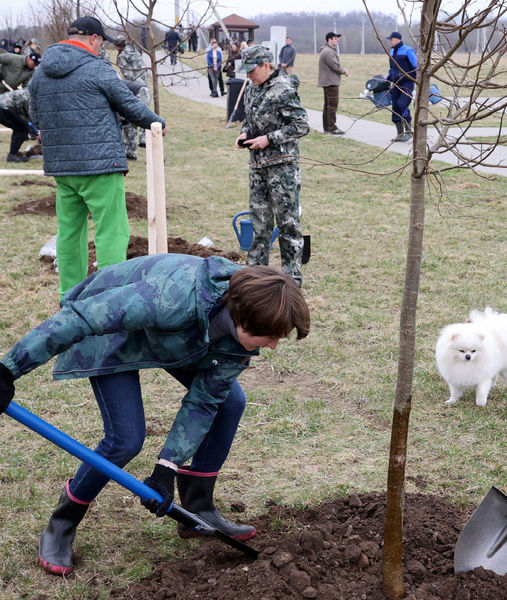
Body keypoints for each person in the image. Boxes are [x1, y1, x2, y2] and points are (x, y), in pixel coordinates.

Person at [0, 253, 310, 575]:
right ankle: (63, 522)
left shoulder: (239, 341)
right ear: (242, 320)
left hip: (179, 338)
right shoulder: (173, 296)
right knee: (126, 439)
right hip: (110, 328)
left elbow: (203, 403)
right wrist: (8, 370)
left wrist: (166, 469)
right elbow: (83, 318)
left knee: (229, 403)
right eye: (271, 337)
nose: (272, 346)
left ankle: (198, 508)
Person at [28, 16, 167, 299]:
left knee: (69, 233)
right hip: (101, 165)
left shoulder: (41, 72)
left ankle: (70, 297)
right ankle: (109, 297)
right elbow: (128, 104)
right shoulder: (96, 67)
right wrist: (157, 123)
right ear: (93, 38)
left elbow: (35, 113)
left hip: (62, 167)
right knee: (111, 232)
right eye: (101, 42)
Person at [235, 45, 309, 288]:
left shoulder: (284, 89)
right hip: (258, 167)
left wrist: (269, 139)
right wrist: (245, 133)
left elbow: (301, 125)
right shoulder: (252, 89)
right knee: (259, 224)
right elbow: (249, 118)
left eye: (252, 70)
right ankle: (255, 279)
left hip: (282, 169)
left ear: (266, 65)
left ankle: (292, 281)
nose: (248, 75)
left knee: (287, 225)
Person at [114, 37, 151, 160]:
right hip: (144, 85)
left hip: (135, 87)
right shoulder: (133, 49)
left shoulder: (122, 56)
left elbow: (126, 74)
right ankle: (145, 139)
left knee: (131, 121)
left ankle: (131, 152)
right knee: (145, 114)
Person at [386, 31, 416, 143]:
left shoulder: (408, 50)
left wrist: (413, 78)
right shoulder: (392, 51)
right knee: (395, 107)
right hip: (396, 84)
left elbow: (416, 66)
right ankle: (400, 133)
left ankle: (408, 132)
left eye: (391, 39)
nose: (389, 41)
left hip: (407, 83)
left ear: (396, 40)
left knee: (402, 104)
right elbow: (392, 68)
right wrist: (387, 79)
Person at [317, 32, 349, 135]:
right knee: (332, 105)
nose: (337, 40)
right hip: (331, 82)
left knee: (328, 105)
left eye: (337, 38)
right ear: (329, 40)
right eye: (335, 38)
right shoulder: (328, 52)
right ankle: (332, 128)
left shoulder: (326, 51)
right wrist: (344, 71)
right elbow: (335, 66)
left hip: (328, 82)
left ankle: (327, 128)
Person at [0, 88, 35, 162]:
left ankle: (14, 153)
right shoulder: (33, 98)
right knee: (22, 129)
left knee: (19, 128)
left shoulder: (30, 92)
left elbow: (25, 117)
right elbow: (30, 116)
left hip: (4, 105)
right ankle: (12, 155)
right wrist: (36, 134)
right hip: (4, 106)